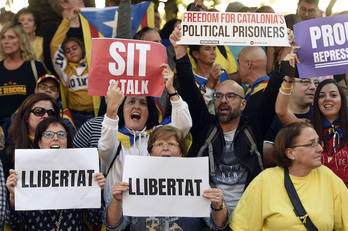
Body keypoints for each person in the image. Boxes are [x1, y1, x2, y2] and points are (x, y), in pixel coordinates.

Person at [169, 25, 284, 214]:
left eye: (231, 96)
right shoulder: (204, 125)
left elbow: (273, 91)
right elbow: (190, 91)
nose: (223, 100)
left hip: (248, 211)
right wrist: (180, 53)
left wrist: (285, 55)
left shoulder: (254, 127)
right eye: (219, 96)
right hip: (204, 211)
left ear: (243, 104)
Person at [98, 63, 192, 206]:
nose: (137, 106)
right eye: (131, 102)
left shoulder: (156, 135)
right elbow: (105, 145)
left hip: (151, 213)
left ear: (149, 112)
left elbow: (184, 125)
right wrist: (111, 108)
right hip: (118, 216)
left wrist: (171, 90)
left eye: (143, 103)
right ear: (122, 110)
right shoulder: (114, 141)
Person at [104, 125, 229, 230]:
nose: (165, 147)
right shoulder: (135, 180)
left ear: (181, 153)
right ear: (150, 153)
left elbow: (218, 226)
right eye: (159, 144)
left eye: (171, 144)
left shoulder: (196, 179)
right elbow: (114, 226)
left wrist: (218, 206)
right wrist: (117, 200)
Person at [230, 122, 348, 230]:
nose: (320, 149)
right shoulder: (265, 180)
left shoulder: (326, 176)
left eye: (318, 142)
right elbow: (241, 227)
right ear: (290, 153)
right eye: (312, 144)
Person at [5, 117, 105, 230]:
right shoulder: (25, 172)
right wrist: (13, 199)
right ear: (39, 143)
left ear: (67, 142)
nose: (56, 138)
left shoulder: (81, 170)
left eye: (61, 134)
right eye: (48, 134)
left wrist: (96, 193)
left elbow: (95, 221)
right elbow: (13, 224)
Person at [276, 48, 348, 187]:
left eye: (333, 95)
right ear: (316, 102)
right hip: (318, 196)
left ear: (342, 99)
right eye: (321, 96)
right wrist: (289, 77)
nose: (327, 99)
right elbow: (281, 111)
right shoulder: (309, 128)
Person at [0, 22, 47, 139]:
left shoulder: (35, 67)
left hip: (27, 130)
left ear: (21, 40)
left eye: (11, 37)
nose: (6, 41)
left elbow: (47, 98)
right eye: (3, 38)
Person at [50, 6, 93, 130]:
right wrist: (67, 20)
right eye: (67, 51)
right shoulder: (64, 69)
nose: (72, 52)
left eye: (75, 48)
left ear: (83, 49)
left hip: (97, 114)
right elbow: (54, 45)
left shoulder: (94, 64)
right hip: (76, 116)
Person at [0, 93, 60, 180]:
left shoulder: (66, 149)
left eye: (51, 113)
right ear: (26, 116)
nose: (46, 116)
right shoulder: (8, 155)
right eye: (39, 111)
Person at [263, 76, 319, 167]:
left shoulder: (320, 115)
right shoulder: (271, 117)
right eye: (305, 81)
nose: (313, 87)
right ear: (290, 85)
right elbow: (265, 159)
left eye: (316, 83)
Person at [237, 46, 269, 116]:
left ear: (249, 63)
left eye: (239, 63)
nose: (237, 69)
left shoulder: (263, 92)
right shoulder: (270, 87)